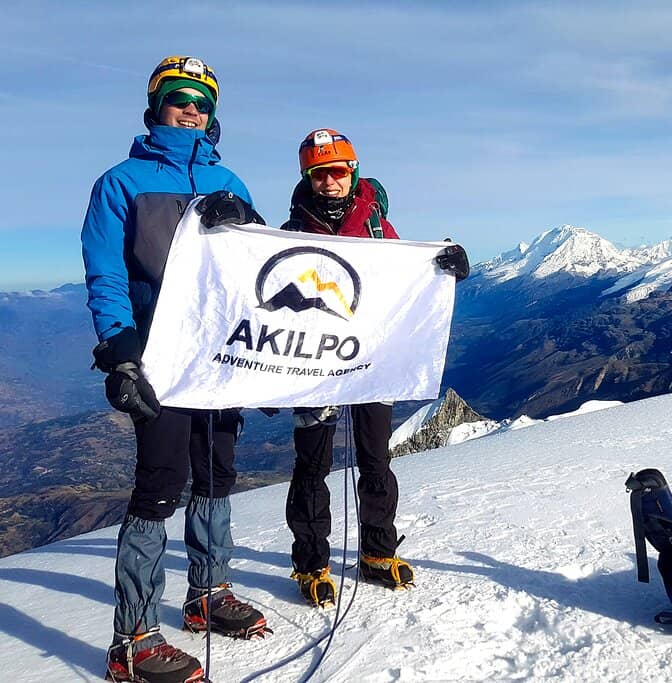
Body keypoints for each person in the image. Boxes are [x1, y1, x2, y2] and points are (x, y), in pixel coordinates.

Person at [82, 56, 268, 683]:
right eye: (180, 98)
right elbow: (105, 272)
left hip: (221, 354)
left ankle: (207, 596)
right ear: (155, 104)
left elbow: (261, 273)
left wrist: (270, 360)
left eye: (202, 102)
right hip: (160, 352)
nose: (192, 109)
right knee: (161, 481)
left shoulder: (233, 182)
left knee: (216, 472)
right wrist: (120, 349)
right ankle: (132, 641)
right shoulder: (121, 182)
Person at [280, 129, 469, 607]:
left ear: (353, 173)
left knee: (374, 458)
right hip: (314, 367)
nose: (329, 182)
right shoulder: (289, 234)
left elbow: (408, 282)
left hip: (372, 362)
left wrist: (442, 266)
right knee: (312, 465)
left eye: (338, 172)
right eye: (319, 173)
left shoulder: (379, 230)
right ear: (307, 177)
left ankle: (378, 553)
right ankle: (310, 563)